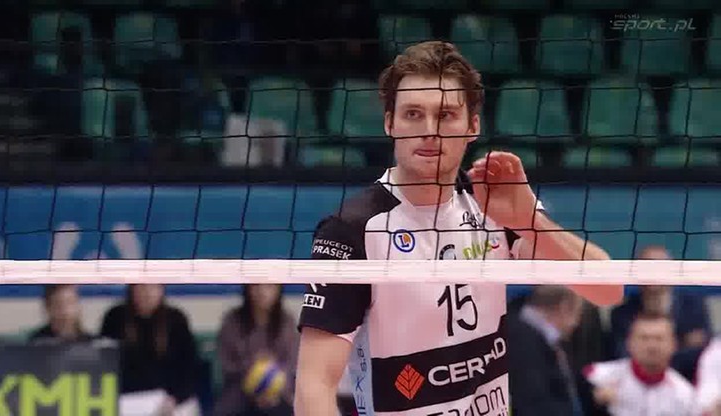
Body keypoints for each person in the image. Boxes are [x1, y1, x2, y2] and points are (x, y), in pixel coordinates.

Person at [294, 41, 623, 416]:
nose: (430, 130)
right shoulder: (352, 230)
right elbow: (313, 387)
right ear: (389, 123)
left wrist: (528, 221)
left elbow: (608, 289)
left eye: (446, 115)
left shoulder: (491, 199)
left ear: (472, 126)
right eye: (413, 114)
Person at [100, 284, 198, 413]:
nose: (147, 293)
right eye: (141, 287)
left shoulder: (176, 319)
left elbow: (189, 367)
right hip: (127, 400)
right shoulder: (115, 318)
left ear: (161, 290)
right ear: (132, 289)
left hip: (169, 400)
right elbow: (105, 364)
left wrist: (176, 398)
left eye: (153, 287)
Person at [583, 313, 695, 416]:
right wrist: (595, 401)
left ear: (673, 345)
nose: (652, 346)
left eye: (659, 339)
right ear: (629, 343)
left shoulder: (685, 395)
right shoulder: (599, 376)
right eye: (644, 338)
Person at [610, 245, 711, 359]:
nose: (653, 273)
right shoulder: (622, 314)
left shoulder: (693, 306)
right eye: (647, 267)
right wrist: (681, 343)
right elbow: (623, 354)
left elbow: (703, 350)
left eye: (659, 267)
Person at [215, 284, 299, 416]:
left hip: (280, 396)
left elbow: (292, 365)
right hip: (239, 396)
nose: (262, 292)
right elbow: (228, 365)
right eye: (256, 286)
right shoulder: (232, 321)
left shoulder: (287, 322)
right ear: (247, 288)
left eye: (269, 286)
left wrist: (272, 380)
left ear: (278, 289)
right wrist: (255, 373)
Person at [508, 286, 585, 416]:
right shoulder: (521, 339)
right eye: (578, 313)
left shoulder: (540, 336)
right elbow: (534, 402)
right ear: (564, 307)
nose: (576, 323)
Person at [30, 284, 95, 343]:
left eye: (70, 303)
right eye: (58, 305)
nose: (65, 311)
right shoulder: (37, 342)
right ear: (48, 308)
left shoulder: (92, 343)